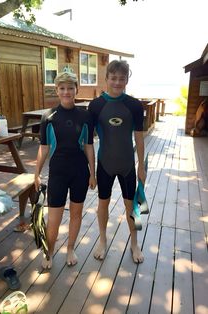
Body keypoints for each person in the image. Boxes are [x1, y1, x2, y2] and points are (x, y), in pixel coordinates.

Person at [34, 72, 96, 269]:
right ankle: (49, 251)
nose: (66, 92)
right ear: (57, 90)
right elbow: (43, 148)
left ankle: (70, 248)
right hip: (58, 172)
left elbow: (88, 146)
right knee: (54, 216)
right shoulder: (48, 117)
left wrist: (93, 174)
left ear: (76, 89)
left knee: (76, 213)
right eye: (62, 88)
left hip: (80, 172)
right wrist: (36, 173)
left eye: (70, 88)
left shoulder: (86, 116)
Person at [88, 60, 146, 263]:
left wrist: (142, 167)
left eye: (122, 78)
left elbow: (139, 137)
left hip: (128, 165)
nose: (117, 82)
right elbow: (87, 141)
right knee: (102, 203)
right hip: (105, 164)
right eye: (113, 78)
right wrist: (91, 173)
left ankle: (135, 243)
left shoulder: (134, 105)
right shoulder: (96, 106)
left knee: (133, 207)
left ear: (127, 80)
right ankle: (102, 241)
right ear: (106, 79)